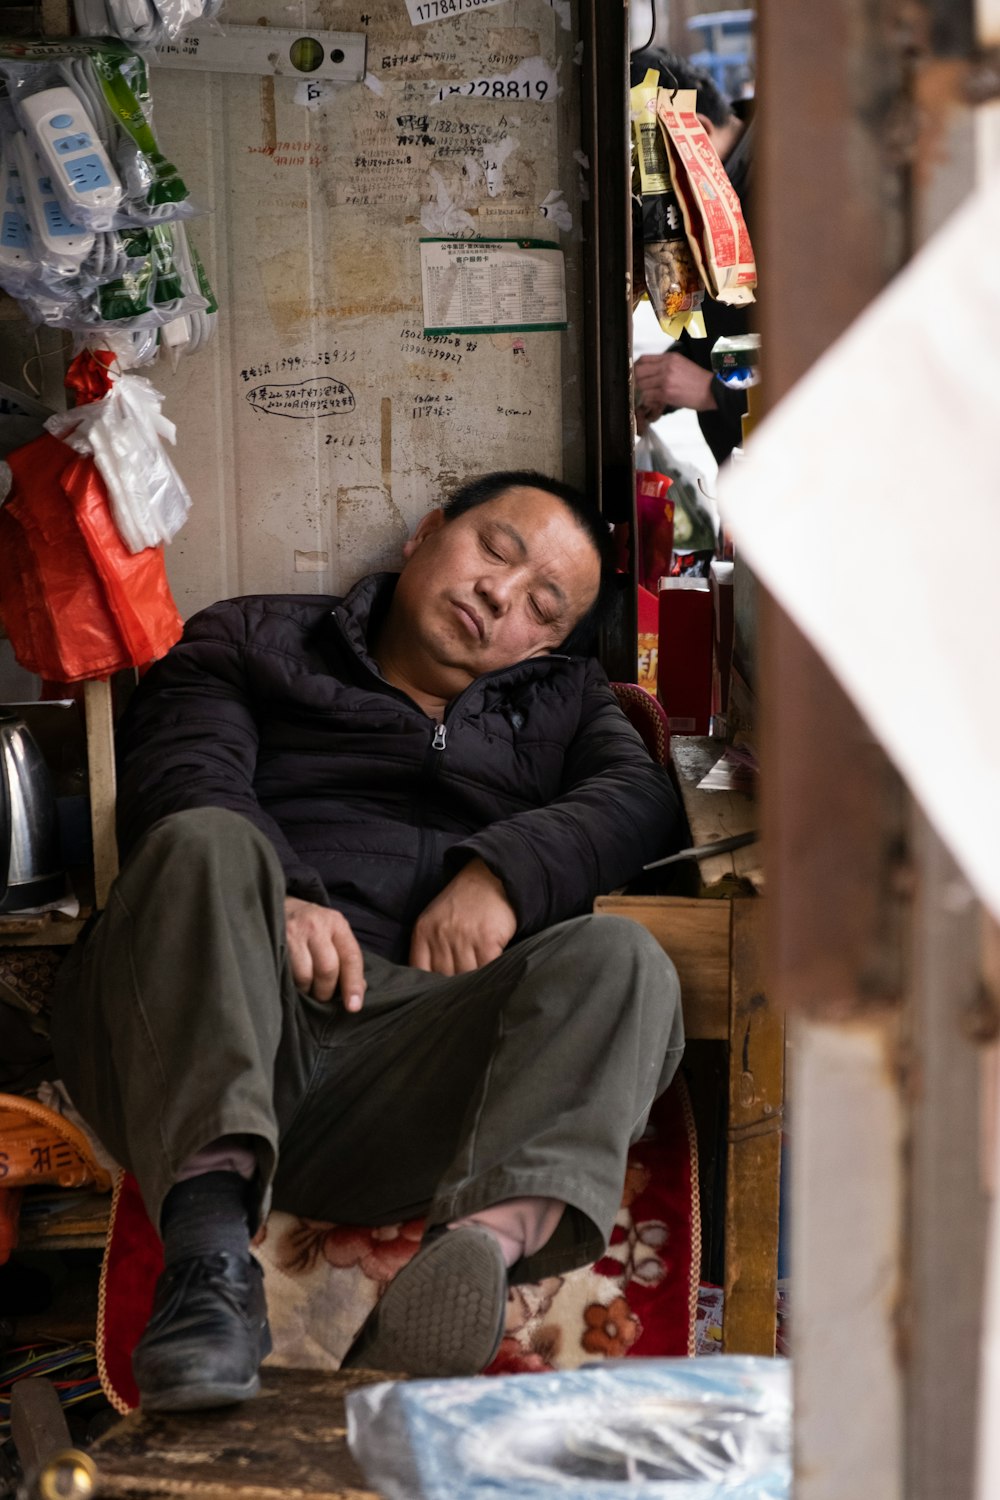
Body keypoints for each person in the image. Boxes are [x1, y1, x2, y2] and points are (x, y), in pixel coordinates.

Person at [51, 470, 685, 1412]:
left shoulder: (568, 706)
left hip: (405, 1076)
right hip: (210, 1016)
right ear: (427, 534)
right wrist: (286, 898)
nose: (498, 595)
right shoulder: (255, 638)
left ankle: (473, 1255)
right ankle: (208, 1265)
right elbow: (185, 770)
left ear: (545, 642)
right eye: (494, 551)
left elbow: (641, 804)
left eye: (539, 604)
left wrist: (500, 877)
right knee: (204, 841)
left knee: (627, 961)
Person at [631, 49, 755, 466]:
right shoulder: (725, 194)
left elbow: (818, 355)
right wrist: (668, 378)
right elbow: (735, 332)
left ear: (696, 135)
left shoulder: (781, 197)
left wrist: (712, 391)